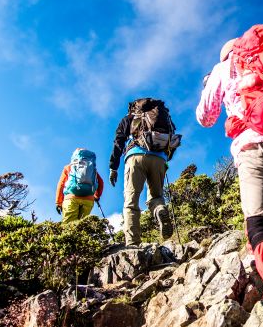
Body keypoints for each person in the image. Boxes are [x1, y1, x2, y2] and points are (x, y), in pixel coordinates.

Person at [196, 38, 263, 302]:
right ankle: (255, 256)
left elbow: (205, 117)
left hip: (255, 146)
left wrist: (214, 89)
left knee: (258, 219)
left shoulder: (224, 68)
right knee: (253, 207)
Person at [109, 98, 176, 246]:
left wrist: (113, 167)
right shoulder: (163, 117)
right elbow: (172, 139)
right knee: (156, 196)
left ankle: (133, 243)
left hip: (135, 156)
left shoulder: (130, 118)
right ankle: (159, 209)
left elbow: (118, 141)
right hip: (159, 159)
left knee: (131, 202)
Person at [55, 148, 104, 224]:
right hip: (88, 200)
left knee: (68, 227)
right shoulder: (92, 169)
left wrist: (58, 202)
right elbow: (101, 183)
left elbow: (61, 185)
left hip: (71, 198)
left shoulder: (69, 167)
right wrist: (97, 196)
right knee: (82, 226)